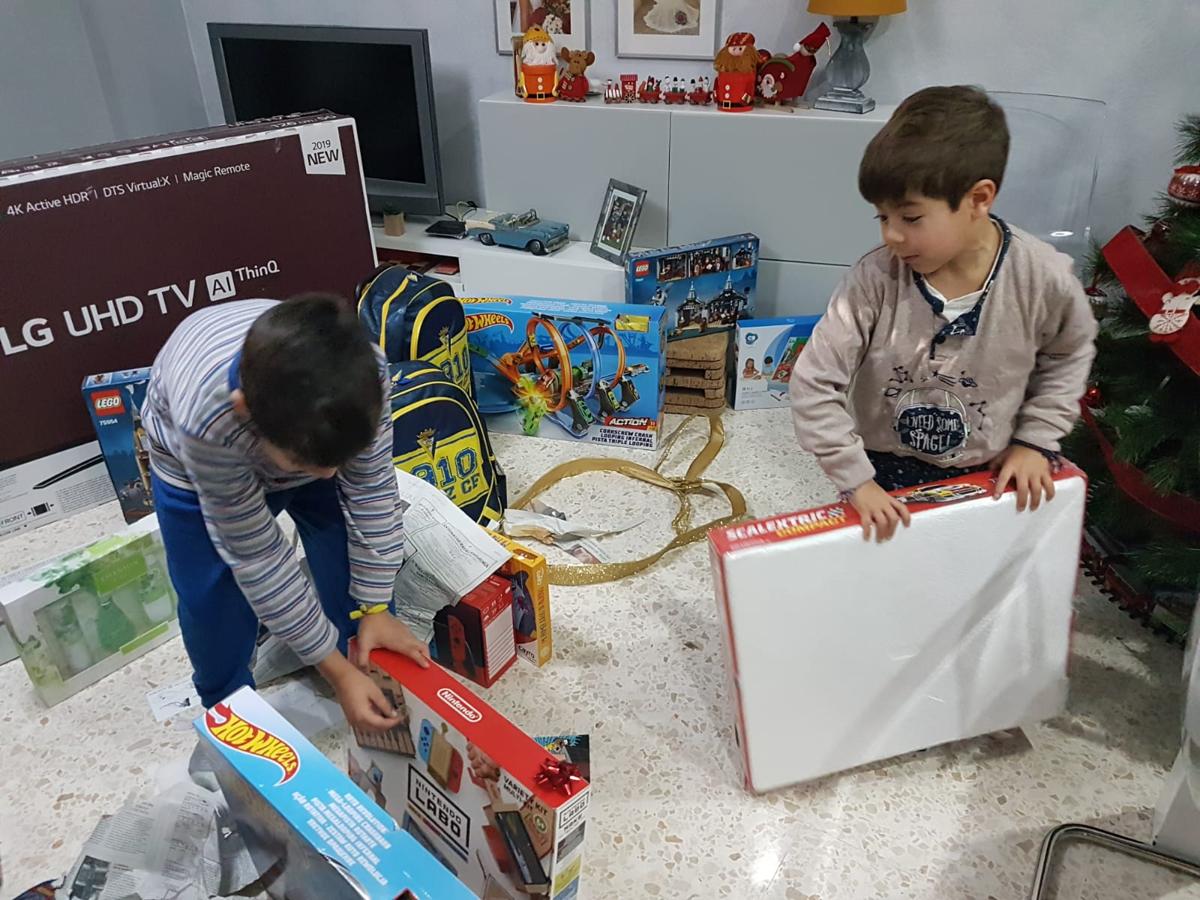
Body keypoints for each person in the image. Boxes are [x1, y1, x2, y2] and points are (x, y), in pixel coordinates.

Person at [790, 86, 1097, 542]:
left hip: (990, 471)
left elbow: (1069, 355)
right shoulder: (873, 278)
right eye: (882, 217)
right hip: (884, 470)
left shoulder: (1043, 277)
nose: (892, 235)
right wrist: (856, 480)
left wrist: (1035, 440)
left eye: (911, 218)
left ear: (978, 199)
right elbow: (814, 381)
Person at [142, 294, 431, 731]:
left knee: (345, 542)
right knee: (213, 595)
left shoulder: (365, 373)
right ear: (246, 411)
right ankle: (230, 711)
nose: (328, 473)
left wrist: (374, 608)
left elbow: (372, 488)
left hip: (295, 428)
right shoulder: (209, 421)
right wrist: (335, 671)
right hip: (191, 460)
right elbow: (258, 556)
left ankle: (360, 646)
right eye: (305, 465)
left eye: (337, 460)